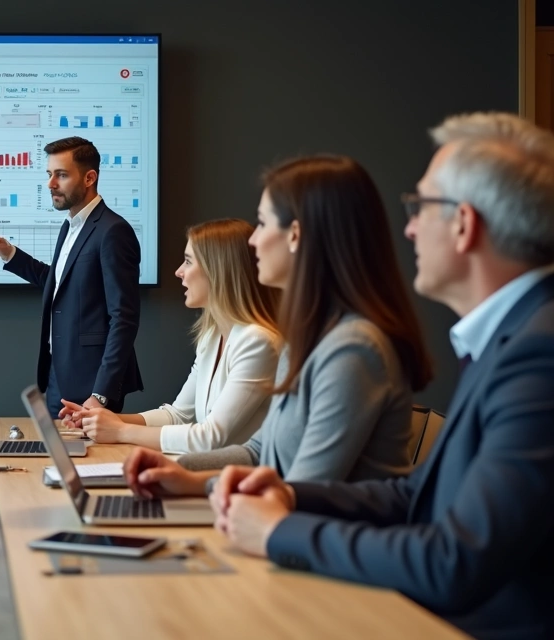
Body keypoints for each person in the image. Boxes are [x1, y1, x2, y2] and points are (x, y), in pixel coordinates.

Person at [208, 112, 554, 639]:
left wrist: (282, 531)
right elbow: (417, 495)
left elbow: (454, 561)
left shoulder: (538, 353)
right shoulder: (513, 336)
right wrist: (292, 497)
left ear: (464, 223)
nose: (409, 227)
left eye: (421, 207)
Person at [122, 153, 432, 495]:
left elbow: (299, 493)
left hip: (318, 539)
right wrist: (186, 475)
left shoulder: (354, 348)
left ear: (295, 235)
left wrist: (199, 483)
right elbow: (259, 453)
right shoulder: (305, 338)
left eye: (263, 223)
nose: (253, 240)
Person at [60, 219, 280, 453]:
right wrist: (103, 420)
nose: (179, 272)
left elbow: (210, 438)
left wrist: (120, 431)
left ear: (219, 271)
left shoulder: (258, 342)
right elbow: (178, 415)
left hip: (239, 482)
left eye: (188, 261)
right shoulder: (213, 336)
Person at [0, 136, 142, 415]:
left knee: (91, 459)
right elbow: (58, 283)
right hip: (58, 375)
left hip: (92, 383)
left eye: (61, 175)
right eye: (49, 174)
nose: (51, 183)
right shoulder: (71, 226)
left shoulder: (113, 231)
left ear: (90, 178)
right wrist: (9, 253)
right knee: (58, 456)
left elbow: (124, 318)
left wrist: (100, 395)